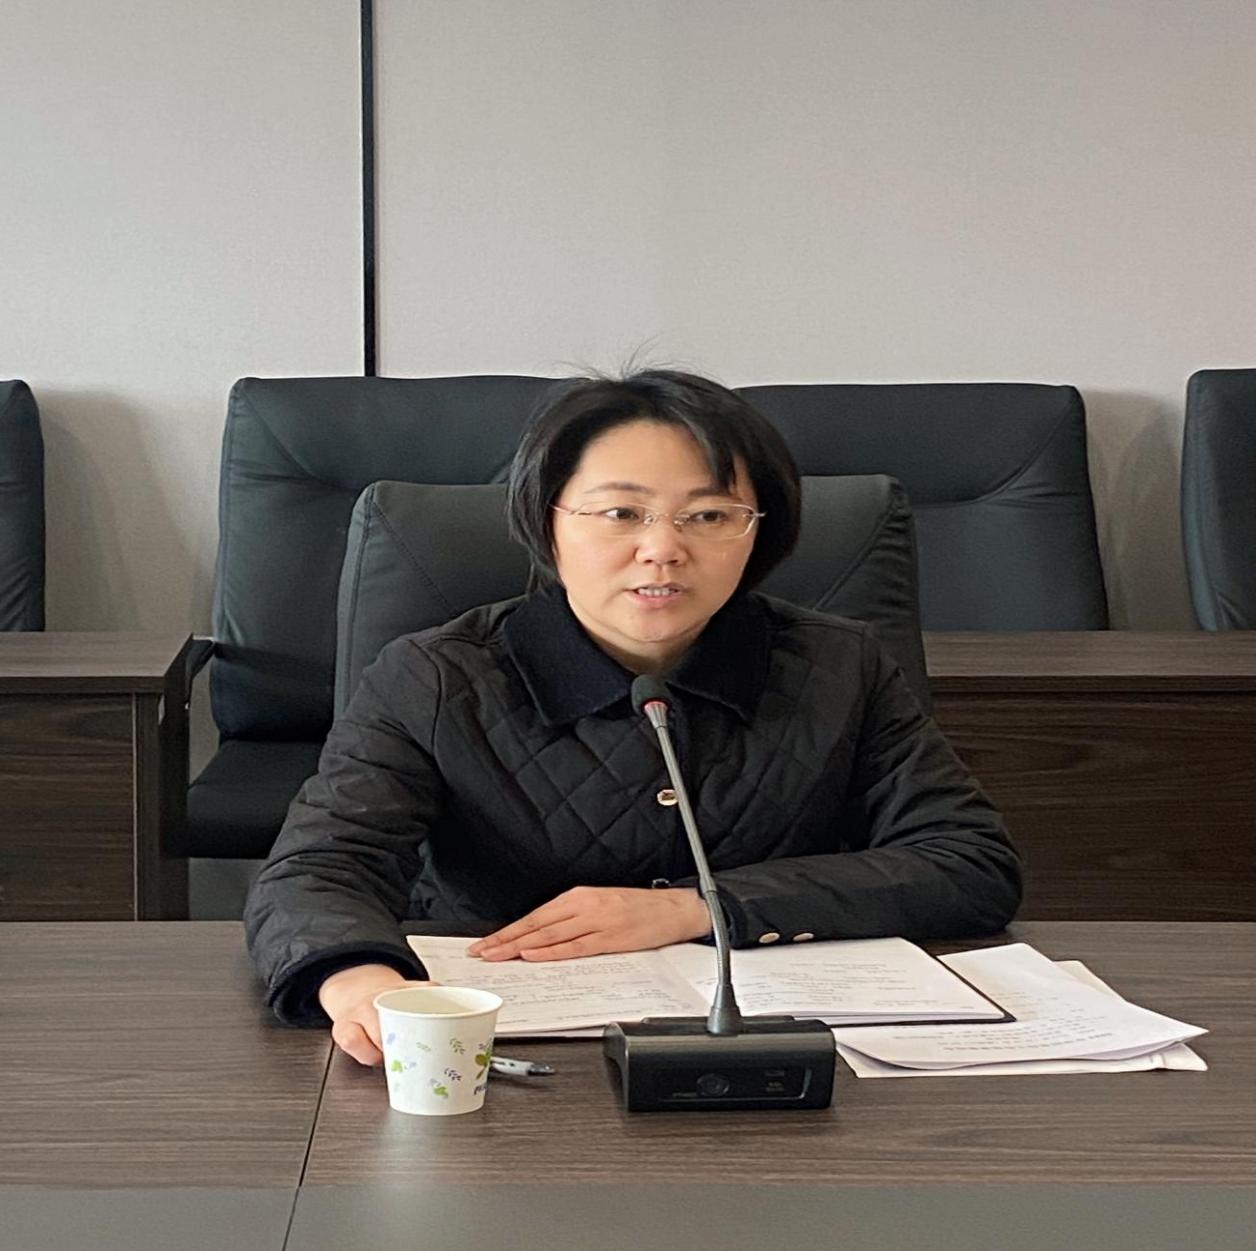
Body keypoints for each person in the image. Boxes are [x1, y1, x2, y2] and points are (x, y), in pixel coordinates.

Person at [245, 369, 1021, 1066]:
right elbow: (317, 869)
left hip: (772, 1055)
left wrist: (697, 907)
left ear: (760, 530)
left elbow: (969, 862)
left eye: (709, 516)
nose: (663, 549)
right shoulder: (438, 676)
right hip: (508, 1054)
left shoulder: (840, 667)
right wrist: (358, 978)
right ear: (548, 520)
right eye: (621, 512)